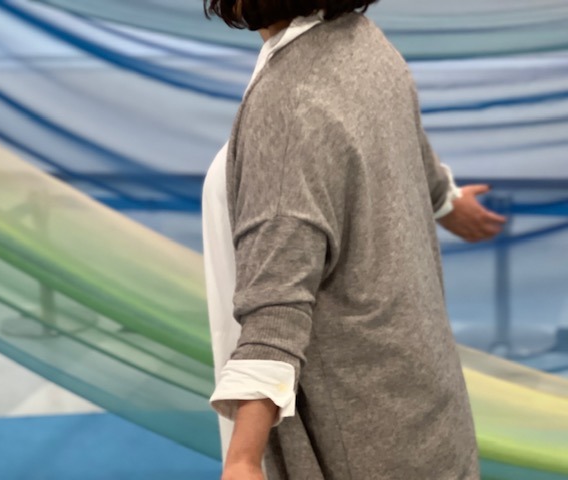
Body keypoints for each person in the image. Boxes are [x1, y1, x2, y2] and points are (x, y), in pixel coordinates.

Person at [201, 1, 507, 479]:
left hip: (361, 439)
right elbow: (387, 139)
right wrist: (446, 199)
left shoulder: (288, 106)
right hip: (428, 412)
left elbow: (276, 310)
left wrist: (242, 460)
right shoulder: (365, 43)